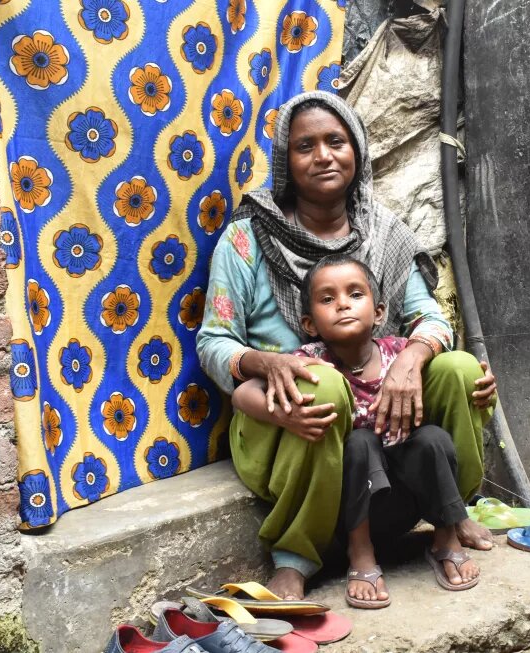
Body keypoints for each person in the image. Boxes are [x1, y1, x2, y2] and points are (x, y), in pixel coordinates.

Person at [196, 91, 497, 603]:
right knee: (325, 382)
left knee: (460, 368)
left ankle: (453, 512)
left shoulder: (384, 233)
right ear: (285, 161)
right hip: (285, 418)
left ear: (356, 149)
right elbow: (213, 342)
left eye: (336, 141)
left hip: (378, 410)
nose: (323, 156)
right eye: (304, 146)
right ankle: (295, 555)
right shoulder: (247, 238)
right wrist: (265, 363)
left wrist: (410, 358)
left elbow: (429, 318)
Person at [233, 255, 481, 607]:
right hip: (349, 504)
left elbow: (456, 383)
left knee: (432, 439)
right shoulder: (309, 359)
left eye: (355, 294)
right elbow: (243, 394)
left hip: (407, 498)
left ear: (379, 312)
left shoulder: (401, 354)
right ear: (310, 323)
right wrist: (284, 416)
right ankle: (360, 553)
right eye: (328, 299)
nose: (344, 304)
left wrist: (480, 384)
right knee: (361, 442)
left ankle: (446, 535)